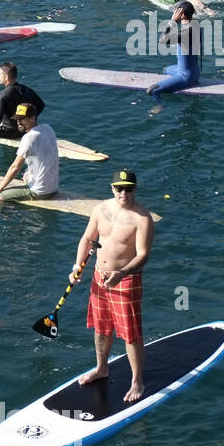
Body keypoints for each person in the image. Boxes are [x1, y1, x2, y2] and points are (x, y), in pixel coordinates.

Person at [71, 169, 155, 403]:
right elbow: (88, 239)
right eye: (119, 188)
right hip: (99, 277)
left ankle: (137, 381)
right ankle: (101, 368)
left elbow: (143, 255)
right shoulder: (100, 209)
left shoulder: (142, 219)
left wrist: (122, 273)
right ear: (112, 188)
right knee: (101, 327)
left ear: (135, 190)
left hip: (126, 280)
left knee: (130, 333)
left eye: (128, 189)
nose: (123, 193)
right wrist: (77, 265)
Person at [0, 103, 58, 202]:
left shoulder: (29, 137)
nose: (18, 122)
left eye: (22, 119)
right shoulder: (48, 128)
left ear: (32, 118)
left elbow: (15, 167)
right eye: (17, 119)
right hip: (54, 188)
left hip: (40, 192)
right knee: (26, 175)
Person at [145, 1, 202, 99]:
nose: (174, 14)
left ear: (182, 15)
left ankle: (159, 106)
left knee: (151, 90)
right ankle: (177, 84)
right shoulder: (197, 26)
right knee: (165, 70)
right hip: (195, 72)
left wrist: (173, 22)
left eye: (175, 13)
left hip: (186, 77)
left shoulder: (186, 33)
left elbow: (162, 40)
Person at [0, 62, 44, 138]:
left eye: (0, 74)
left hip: (11, 132)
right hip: (26, 130)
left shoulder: (3, 94)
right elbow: (41, 105)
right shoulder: (27, 90)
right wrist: (29, 122)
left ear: (6, 77)